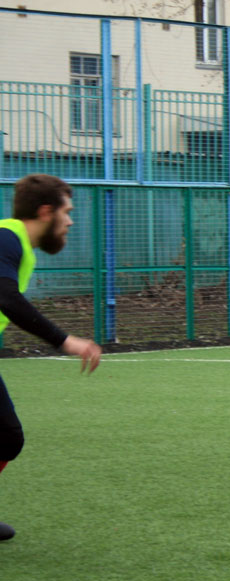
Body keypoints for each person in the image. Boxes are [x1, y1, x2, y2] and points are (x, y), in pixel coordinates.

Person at [0, 174, 102, 541]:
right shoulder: (6, 238)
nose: (70, 221)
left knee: (6, 438)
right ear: (46, 211)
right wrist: (64, 341)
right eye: (67, 212)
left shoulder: (14, 244)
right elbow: (5, 297)